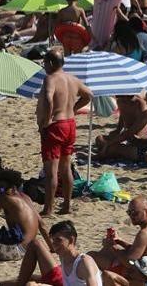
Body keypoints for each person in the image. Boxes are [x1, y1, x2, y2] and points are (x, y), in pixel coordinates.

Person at [37, 49, 92, 216]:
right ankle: (67, 205)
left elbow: (47, 97)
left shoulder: (50, 78)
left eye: (45, 63)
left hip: (56, 125)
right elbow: (89, 94)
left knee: (51, 170)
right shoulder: (72, 79)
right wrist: (73, 109)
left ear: (52, 63)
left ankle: (48, 208)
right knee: (66, 167)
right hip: (69, 124)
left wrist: (46, 120)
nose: (44, 66)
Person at [93, 196, 147, 286]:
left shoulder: (144, 234)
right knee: (106, 254)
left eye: (135, 213)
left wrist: (112, 247)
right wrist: (120, 241)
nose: (131, 216)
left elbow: (129, 262)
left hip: (145, 282)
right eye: (129, 212)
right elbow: (138, 250)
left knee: (97, 262)